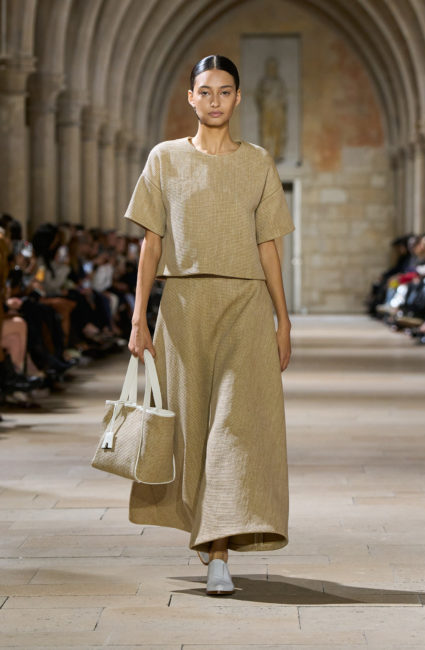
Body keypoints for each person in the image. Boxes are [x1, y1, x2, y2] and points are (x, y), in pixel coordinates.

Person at [125, 54, 295, 596]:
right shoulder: (165, 158)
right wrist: (139, 317)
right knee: (192, 427)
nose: (215, 100)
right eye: (206, 91)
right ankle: (205, 528)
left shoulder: (259, 162)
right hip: (183, 307)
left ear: (238, 98)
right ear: (190, 98)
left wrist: (283, 320)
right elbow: (151, 244)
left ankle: (219, 551)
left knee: (234, 428)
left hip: (246, 306)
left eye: (224, 91)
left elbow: (268, 247)